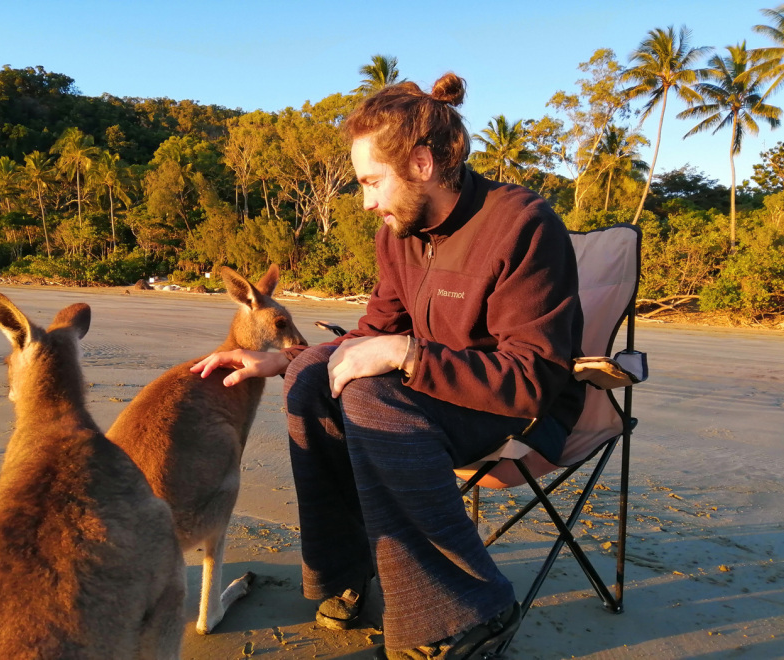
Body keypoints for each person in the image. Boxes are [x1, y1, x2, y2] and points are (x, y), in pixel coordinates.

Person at [191, 72, 585, 660]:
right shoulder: (398, 234)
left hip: (520, 410)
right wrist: (282, 359)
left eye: (372, 182)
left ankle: (473, 611)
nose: (368, 201)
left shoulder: (521, 225)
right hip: (430, 392)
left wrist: (407, 354)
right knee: (310, 382)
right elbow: (372, 334)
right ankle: (349, 568)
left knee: (369, 398)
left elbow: (532, 381)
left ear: (422, 163)